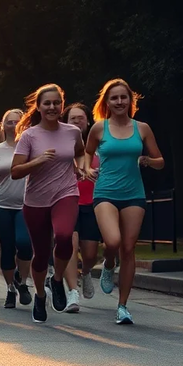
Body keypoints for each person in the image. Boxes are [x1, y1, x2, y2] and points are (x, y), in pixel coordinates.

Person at [85, 79, 165, 325]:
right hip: (105, 192)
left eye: (123, 97)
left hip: (134, 194)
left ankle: (122, 307)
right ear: (106, 103)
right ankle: (108, 263)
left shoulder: (142, 128)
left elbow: (160, 160)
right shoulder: (99, 128)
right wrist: (87, 169)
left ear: (131, 101)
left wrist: (148, 161)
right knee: (113, 241)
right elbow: (87, 153)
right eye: (114, 98)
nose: (119, 102)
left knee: (128, 249)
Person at [10, 84, 84, 324]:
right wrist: (38, 160)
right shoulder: (29, 135)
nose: (52, 107)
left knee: (64, 236)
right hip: (36, 201)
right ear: (39, 107)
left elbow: (81, 152)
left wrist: (81, 166)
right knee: (40, 255)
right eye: (47, 103)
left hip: (66, 193)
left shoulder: (72, 131)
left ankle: (57, 279)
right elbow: (15, 171)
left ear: (61, 105)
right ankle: (41, 295)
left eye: (56, 103)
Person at [0, 109, 33, 308]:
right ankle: (10, 289)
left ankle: (23, 282)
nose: (14, 125)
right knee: (7, 248)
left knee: (24, 243)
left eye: (18, 121)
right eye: (10, 122)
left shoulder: (31, 147)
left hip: (26, 204)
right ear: (3, 125)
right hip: (1, 204)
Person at [65, 103, 100, 305]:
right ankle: (72, 292)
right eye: (72, 118)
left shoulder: (98, 146)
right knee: (71, 243)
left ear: (88, 121)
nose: (77, 121)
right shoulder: (62, 145)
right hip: (68, 202)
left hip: (92, 204)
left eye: (80, 118)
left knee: (90, 253)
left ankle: (85, 272)